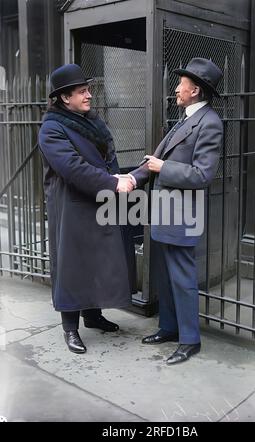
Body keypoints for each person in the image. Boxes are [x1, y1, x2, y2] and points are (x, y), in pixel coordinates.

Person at [129, 58, 223, 365]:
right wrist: (131, 178)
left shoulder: (209, 123)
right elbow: (153, 160)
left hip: (182, 217)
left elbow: (202, 175)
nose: (176, 89)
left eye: (181, 84)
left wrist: (164, 168)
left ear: (194, 90)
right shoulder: (184, 119)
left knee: (182, 279)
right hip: (166, 214)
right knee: (165, 276)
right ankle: (169, 328)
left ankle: (189, 340)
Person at [38, 64, 134, 354]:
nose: (89, 95)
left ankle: (92, 316)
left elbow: (109, 156)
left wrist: (116, 178)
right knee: (71, 266)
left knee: (97, 262)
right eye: (83, 91)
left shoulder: (93, 122)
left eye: (88, 89)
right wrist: (112, 183)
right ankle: (70, 329)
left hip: (97, 201)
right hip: (70, 208)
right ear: (65, 98)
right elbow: (72, 168)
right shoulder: (51, 128)